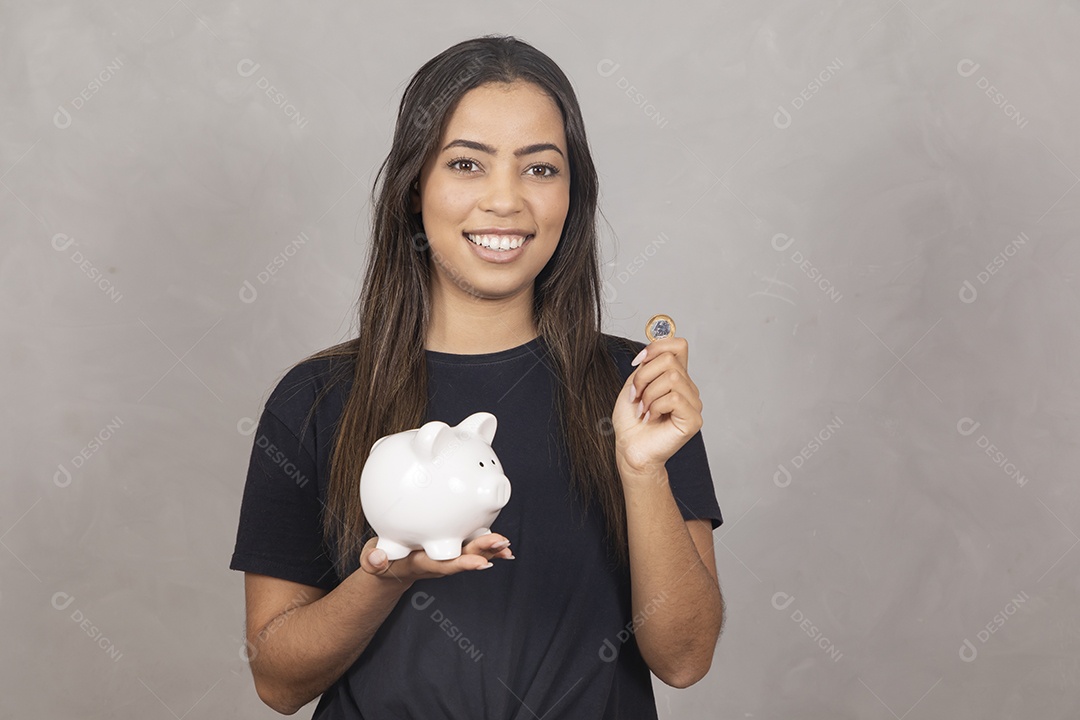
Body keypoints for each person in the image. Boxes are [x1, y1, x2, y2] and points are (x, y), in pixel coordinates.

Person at [229, 33, 725, 719]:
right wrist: (385, 576)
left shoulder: (639, 391)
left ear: (572, 195)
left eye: (540, 169)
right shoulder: (316, 400)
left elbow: (684, 658)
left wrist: (643, 472)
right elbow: (277, 682)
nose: (505, 201)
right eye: (467, 164)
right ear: (413, 190)